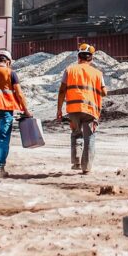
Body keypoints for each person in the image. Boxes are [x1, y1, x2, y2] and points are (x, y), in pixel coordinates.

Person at [55, 43, 107, 174]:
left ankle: (76, 161)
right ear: (92, 59)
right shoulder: (97, 73)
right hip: (90, 110)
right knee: (90, 137)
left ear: (78, 57)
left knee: (76, 133)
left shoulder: (69, 70)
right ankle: (86, 168)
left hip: (73, 109)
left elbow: (62, 91)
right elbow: (104, 92)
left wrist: (59, 109)